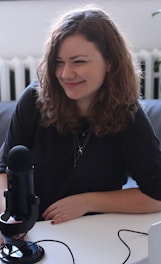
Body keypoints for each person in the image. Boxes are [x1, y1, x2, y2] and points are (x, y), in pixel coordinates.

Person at [1, 4, 161, 233]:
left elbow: (157, 195)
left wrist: (86, 202)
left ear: (110, 63)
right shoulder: (33, 100)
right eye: (58, 62)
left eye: (79, 62)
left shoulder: (129, 116)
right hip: (34, 231)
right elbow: (3, 168)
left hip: (95, 233)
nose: (65, 74)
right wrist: (9, 214)